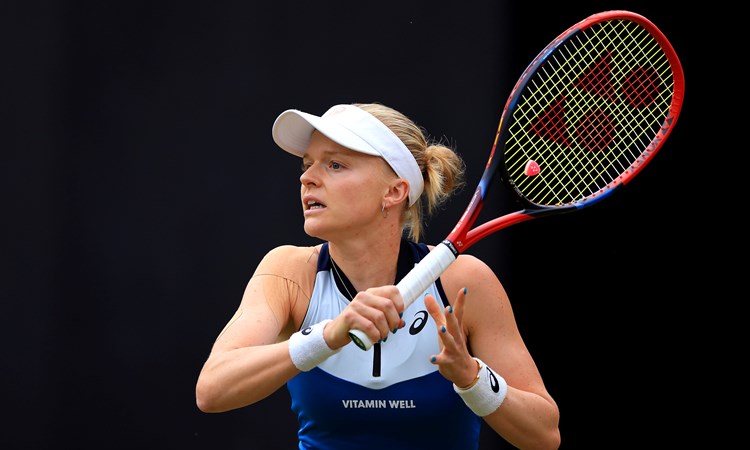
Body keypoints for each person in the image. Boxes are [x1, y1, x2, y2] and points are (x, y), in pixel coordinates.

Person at [195, 103, 561, 449]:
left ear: (394, 191)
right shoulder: (289, 273)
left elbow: (545, 435)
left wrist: (473, 378)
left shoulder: (463, 281)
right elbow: (212, 389)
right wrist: (328, 335)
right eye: (307, 164)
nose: (307, 177)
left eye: (335, 165)